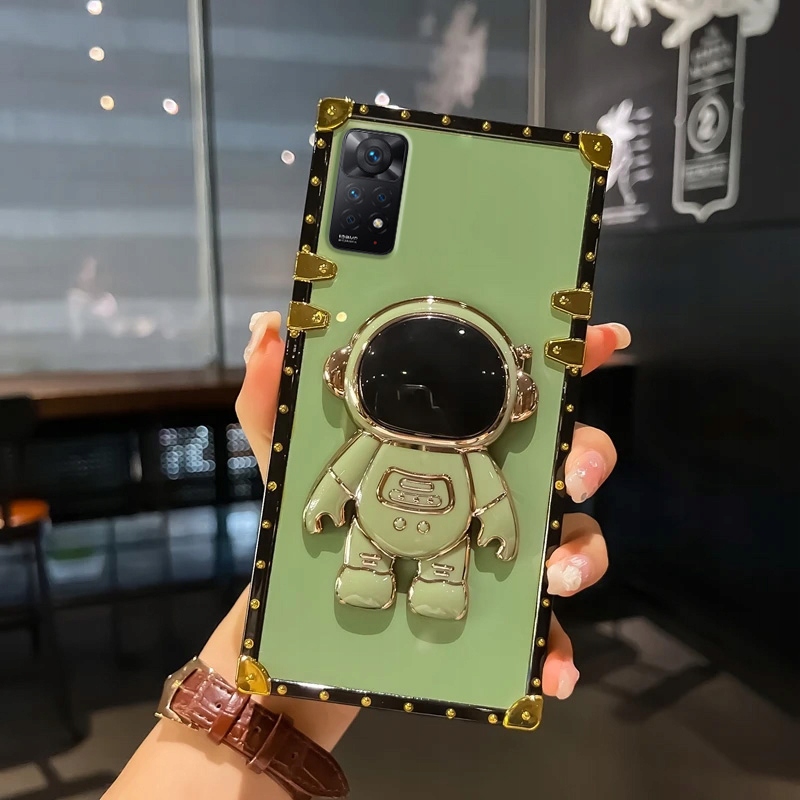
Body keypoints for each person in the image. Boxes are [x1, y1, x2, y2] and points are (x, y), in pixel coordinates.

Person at [102, 311, 631, 799]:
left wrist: (499, 524)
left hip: (431, 536)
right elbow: (343, 477)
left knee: (440, 569)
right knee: (376, 561)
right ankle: (387, 575)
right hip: (385, 531)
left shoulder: (457, 452)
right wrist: (313, 524)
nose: (426, 399)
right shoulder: (411, 446)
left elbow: (485, 496)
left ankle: (433, 581)